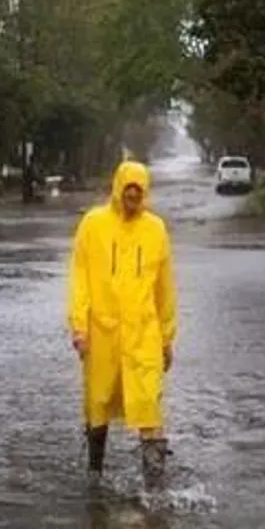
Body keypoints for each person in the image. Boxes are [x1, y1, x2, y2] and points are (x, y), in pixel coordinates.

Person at [67, 152, 178, 488]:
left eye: (138, 191)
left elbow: (165, 286)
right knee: (98, 403)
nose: (133, 196)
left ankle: (155, 488)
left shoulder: (156, 229)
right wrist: (79, 328)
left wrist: (167, 336)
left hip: (143, 334)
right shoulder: (93, 224)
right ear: (117, 189)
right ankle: (95, 472)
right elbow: (80, 277)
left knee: (148, 404)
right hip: (101, 333)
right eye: (128, 190)